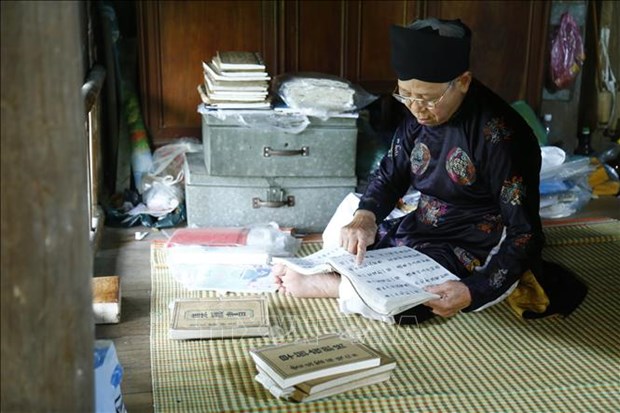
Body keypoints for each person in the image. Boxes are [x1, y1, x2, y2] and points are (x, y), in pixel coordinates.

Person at [274, 18, 586, 324]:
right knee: (346, 234)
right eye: (405, 95)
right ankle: (340, 277)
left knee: (420, 300)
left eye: (426, 98)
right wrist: (365, 217)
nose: (415, 108)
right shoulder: (418, 111)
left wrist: (472, 291)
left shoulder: (500, 136)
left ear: (462, 82)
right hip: (423, 224)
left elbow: (525, 233)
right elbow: (391, 173)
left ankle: (330, 285)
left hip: (475, 240)